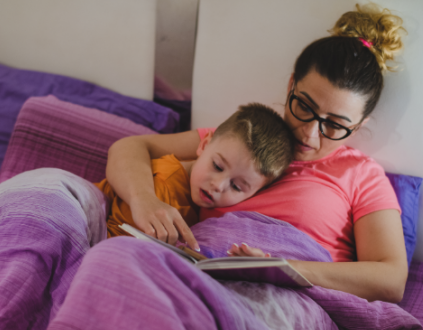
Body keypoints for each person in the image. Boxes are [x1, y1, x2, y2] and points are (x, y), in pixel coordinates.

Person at [104, 4, 408, 303]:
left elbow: (391, 280)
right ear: (291, 85)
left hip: (288, 299)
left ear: (358, 126)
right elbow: (130, 147)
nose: (309, 133)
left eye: (334, 125)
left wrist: (278, 269)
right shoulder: (242, 139)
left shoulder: (362, 175)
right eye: (304, 106)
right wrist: (143, 199)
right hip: (199, 279)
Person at [95, 103, 294, 244]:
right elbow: (108, 243)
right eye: (217, 166)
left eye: (236, 186)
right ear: (204, 144)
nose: (218, 185)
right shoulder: (164, 186)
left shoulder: (195, 204)